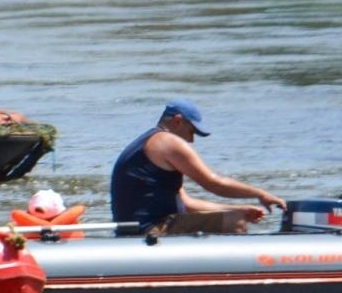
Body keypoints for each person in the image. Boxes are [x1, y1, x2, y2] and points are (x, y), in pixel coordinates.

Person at [109, 98, 286, 236]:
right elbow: (214, 183)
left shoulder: (148, 142)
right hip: (150, 230)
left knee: (235, 216)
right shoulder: (167, 142)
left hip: (138, 230)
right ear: (178, 121)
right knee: (235, 222)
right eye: (192, 131)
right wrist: (260, 194)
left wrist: (237, 209)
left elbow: (186, 204)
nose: (192, 140)